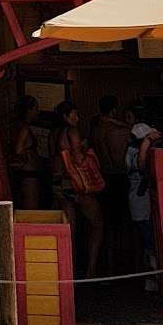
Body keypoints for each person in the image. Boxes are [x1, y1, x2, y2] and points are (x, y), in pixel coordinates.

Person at [51, 99, 105, 278]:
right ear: (66, 116)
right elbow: (79, 158)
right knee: (97, 225)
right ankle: (91, 270)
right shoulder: (72, 132)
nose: (78, 118)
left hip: (60, 185)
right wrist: (88, 149)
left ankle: (68, 272)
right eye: (74, 114)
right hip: (77, 185)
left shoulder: (54, 133)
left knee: (69, 231)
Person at [89, 95, 132, 272]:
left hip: (101, 177)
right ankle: (119, 265)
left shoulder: (95, 130)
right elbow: (120, 162)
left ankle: (105, 265)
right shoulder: (117, 131)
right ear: (114, 109)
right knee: (119, 223)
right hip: (116, 177)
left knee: (103, 222)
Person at [126, 118, 160, 293]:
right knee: (148, 244)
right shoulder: (132, 153)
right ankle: (150, 279)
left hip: (147, 204)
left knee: (151, 242)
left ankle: (153, 279)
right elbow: (140, 165)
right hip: (140, 204)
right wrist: (147, 143)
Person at [9, 96, 44, 209]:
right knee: (30, 208)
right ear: (29, 110)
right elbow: (18, 149)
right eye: (36, 108)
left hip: (23, 172)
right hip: (28, 172)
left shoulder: (14, 125)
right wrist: (25, 158)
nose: (37, 112)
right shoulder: (24, 127)